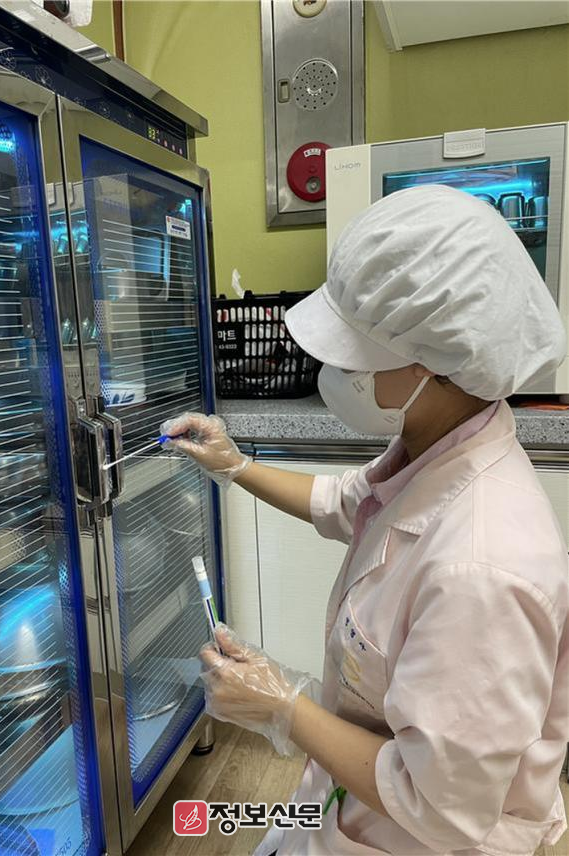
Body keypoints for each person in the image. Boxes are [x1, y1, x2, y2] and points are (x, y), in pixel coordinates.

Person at [161, 185, 569, 855]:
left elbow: (439, 805)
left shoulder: (484, 568)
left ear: (435, 364)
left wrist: (283, 706)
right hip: (349, 804)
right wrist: (235, 466)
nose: (336, 370)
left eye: (356, 355)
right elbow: (347, 500)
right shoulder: (440, 443)